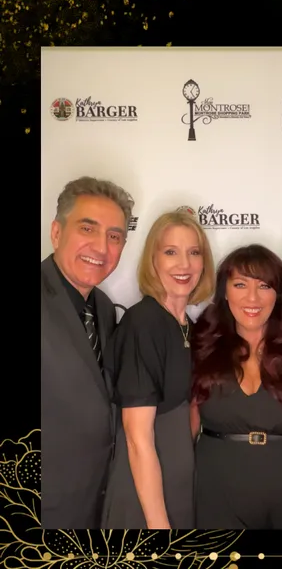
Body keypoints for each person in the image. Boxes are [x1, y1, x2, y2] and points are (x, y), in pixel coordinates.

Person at [103, 210, 215, 528]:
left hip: (179, 487)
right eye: (170, 252)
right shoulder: (144, 323)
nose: (184, 264)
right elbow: (138, 439)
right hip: (146, 500)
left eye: (194, 252)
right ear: (153, 260)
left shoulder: (189, 327)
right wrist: (158, 525)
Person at [191, 245, 282, 528]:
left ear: (278, 293)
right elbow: (188, 425)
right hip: (217, 483)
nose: (252, 297)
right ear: (224, 291)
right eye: (240, 284)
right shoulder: (202, 342)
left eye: (264, 286)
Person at [40, 176, 135, 528]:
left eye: (114, 237)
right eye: (87, 228)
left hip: (98, 507)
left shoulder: (105, 308)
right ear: (56, 232)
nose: (101, 247)